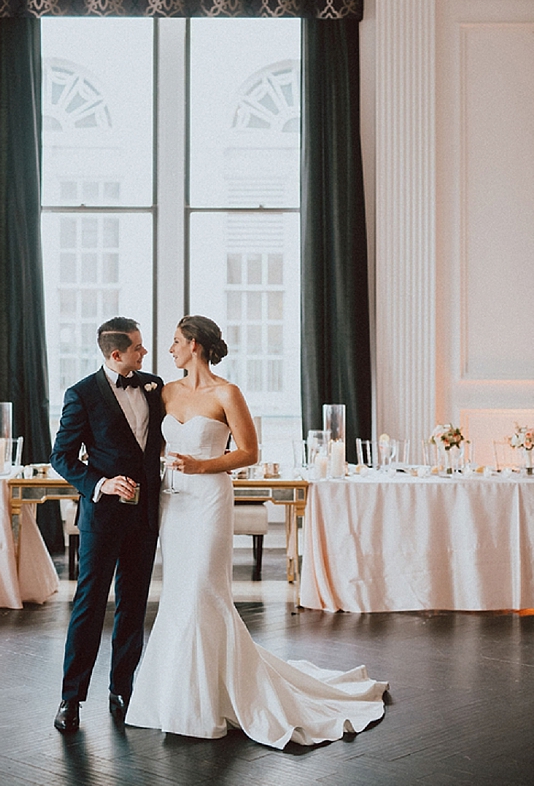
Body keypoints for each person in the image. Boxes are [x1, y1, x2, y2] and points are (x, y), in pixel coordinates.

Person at [125, 315, 388, 749]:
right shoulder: (165, 392)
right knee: (177, 593)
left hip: (210, 497)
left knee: (202, 590)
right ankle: (174, 697)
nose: (168, 349)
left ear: (195, 344)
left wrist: (202, 465)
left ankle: (211, 700)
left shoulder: (228, 393)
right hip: (175, 501)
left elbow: (249, 452)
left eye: (175, 342)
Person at [51, 317, 164, 733]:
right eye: (138, 347)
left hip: (144, 516)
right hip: (101, 517)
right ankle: (71, 698)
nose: (145, 353)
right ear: (116, 355)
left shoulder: (154, 386)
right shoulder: (80, 394)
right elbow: (61, 457)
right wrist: (101, 482)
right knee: (90, 605)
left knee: (134, 605)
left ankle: (123, 690)